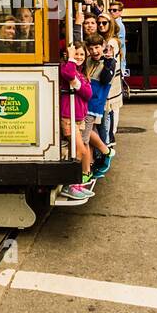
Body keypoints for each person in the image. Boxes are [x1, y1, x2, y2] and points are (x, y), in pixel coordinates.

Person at [59, 45, 94, 205]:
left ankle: (77, 184)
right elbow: (67, 73)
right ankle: (69, 185)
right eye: (76, 54)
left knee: (82, 149)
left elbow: (88, 94)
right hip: (68, 117)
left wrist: (77, 84)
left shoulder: (80, 73)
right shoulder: (67, 67)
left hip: (79, 117)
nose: (79, 57)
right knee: (79, 149)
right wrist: (71, 58)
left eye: (81, 54)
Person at [82, 34, 116, 179]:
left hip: (94, 104)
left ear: (103, 46)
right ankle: (90, 165)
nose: (94, 51)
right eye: (91, 49)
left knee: (84, 136)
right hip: (83, 102)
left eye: (97, 47)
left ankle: (104, 153)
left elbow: (105, 79)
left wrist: (108, 61)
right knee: (88, 136)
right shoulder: (88, 60)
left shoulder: (110, 62)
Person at [104, 36, 124, 146]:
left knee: (110, 116)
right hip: (109, 92)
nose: (101, 25)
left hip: (110, 92)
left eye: (104, 23)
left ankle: (108, 145)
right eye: (99, 23)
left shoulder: (112, 42)